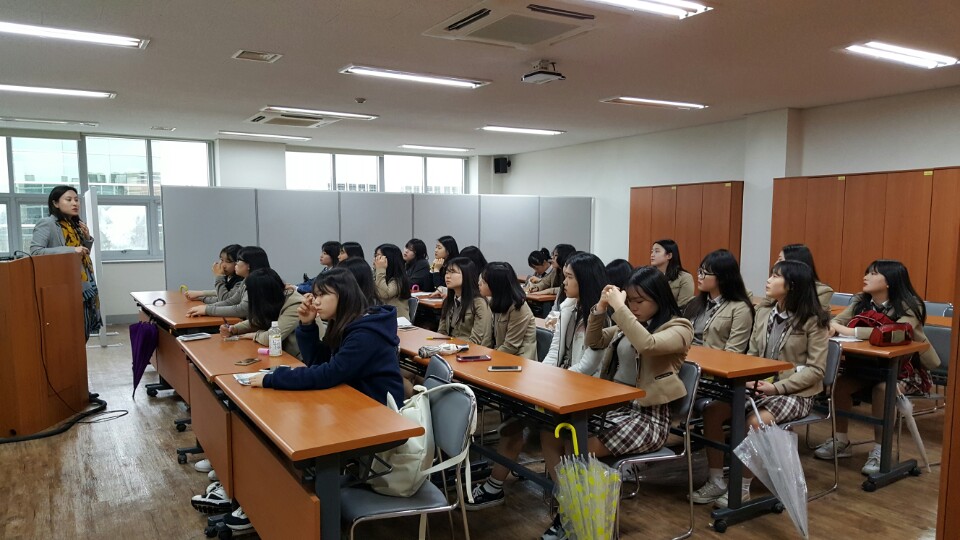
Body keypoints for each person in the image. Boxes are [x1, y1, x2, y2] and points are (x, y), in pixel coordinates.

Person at [224, 269, 403, 533]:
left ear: (343, 296)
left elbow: (329, 373)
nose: (315, 301)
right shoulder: (346, 323)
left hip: (375, 416)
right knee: (282, 426)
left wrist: (274, 378)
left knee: (294, 436)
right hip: (349, 404)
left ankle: (283, 508)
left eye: (322, 295)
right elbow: (319, 361)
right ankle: (258, 495)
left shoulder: (365, 333)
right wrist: (307, 325)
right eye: (314, 295)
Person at [538, 266, 693, 540]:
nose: (633, 306)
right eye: (630, 300)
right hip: (616, 408)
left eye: (640, 301)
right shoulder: (628, 324)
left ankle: (574, 519)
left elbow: (648, 345)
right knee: (550, 433)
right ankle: (572, 508)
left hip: (648, 417)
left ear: (659, 298)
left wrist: (620, 308)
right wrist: (600, 308)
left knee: (577, 445)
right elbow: (594, 340)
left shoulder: (679, 327)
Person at [467, 253, 607, 512]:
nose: (563, 282)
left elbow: (589, 365)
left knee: (538, 427)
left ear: (585, 281)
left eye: (569, 277)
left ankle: (568, 506)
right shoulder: (568, 308)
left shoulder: (601, 317)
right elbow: (554, 352)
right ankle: (561, 501)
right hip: (559, 385)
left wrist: (552, 382)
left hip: (584, 392)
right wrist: (543, 378)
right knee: (518, 423)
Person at [692, 259, 828, 508]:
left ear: (792, 285)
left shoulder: (813, 320)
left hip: (795, 393)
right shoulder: (765, 312)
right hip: (760, 386)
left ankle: (741, 487)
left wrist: (777, 387)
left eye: (776, 276)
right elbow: (753, 354)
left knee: (756, 421)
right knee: (713, 411)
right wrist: (752, 377)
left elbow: (816, 370)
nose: (768, 280)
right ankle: (716, 480)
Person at [814, 260, 941, 475]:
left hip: (905, 369)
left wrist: (850, 332)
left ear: (889, 281)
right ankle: (841, 440)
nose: (866, 277)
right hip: (869, 365)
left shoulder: (910, 305)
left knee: (883, 389)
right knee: (841, 385)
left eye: (873, 274)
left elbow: (897, 331)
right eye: (867, 273)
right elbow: (838, 321)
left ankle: (881, 449)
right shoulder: (861, 300)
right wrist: (833, 328)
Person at [30, 184, 102, 337]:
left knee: (83, 331)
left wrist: (87, 239)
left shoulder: (75, 225)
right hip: (64, 287)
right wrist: (72, 249)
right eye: (68, 200)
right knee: (73, 334)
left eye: (76, 199)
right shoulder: (48, 223)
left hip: (84, 284)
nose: (75, 203)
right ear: (55, 203)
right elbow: (36, 252)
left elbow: (83, 254)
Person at [217, 268, 303, 358]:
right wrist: (234, 329)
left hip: (298, 360)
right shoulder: (274, 299)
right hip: (280, 354)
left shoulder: (295, 305)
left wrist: (253, 335)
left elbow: (271, 338)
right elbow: (259, 320)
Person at [683, 249, 754, 353]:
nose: (699, 276)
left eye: (704, 273)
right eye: (699, 271)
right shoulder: (694, 302)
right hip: (686, 357)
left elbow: (734, 351)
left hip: (715, 361)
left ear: (722, 277)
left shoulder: (740, 309)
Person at [186, 246, 270, 318]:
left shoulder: (259, 282)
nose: (236, 264)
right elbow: (231, 301)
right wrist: (204, 307)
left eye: (239, 260)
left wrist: (207, 310)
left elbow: (242, 309)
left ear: (249, 265)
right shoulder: (247, 280)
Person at [480, 261, 537, 359]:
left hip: (519, 360)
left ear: (496, 285)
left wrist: (487, 357)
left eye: (484, 282)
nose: (479, 283)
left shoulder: (518, 307)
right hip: (500, 354)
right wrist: (481, 354)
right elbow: (487, 337)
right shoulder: (494, 301)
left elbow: (511, 346)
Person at [438, 257, 490, 345]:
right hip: (448, 347)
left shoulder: (479, 303)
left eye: (453, 272)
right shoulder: (449, 300)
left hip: (470, 349)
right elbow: (441, 332)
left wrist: (453, 347)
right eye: (447, 272)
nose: (447, 276)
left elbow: (476, 340)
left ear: (466, 275)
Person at [777, 243, 834, 310]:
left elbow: (811, 314)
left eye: (780, 260)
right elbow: (766, 310)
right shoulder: (776, 285)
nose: (776, 263)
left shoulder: (822, 291)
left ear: (796, 264)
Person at [650, 239, 694, 309]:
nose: (652, 255)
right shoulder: (649, 275)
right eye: (652, 251)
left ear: (669, 255)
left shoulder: (685, 277)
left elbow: (683, 306)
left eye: (657, 251)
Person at [373, 243, 411, 318]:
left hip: (397, 320)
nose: (375, 259)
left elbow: (383, 294)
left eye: (379, 256)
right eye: (375, 256)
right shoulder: (378, 274)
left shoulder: (398, 280)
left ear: (390, 259)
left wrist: (380, 269)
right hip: (382, 317)